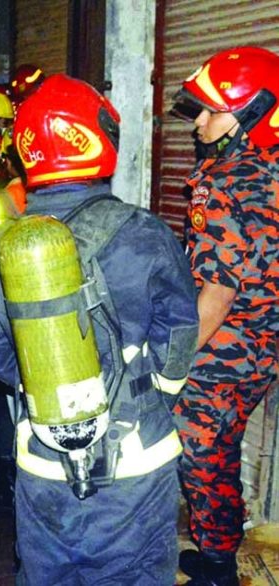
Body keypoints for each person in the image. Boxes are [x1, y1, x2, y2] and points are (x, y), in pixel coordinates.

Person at [0, 74, 199, 584]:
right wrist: (146, 397)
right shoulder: (147, 235)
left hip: (44, 462)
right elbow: (180, 338)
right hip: (137, 464)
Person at [170, 46, 279, 586]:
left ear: (252, 114)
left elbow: (217, 290)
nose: (200, 123)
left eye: (213, 112)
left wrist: (173, 365)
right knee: (223, 447)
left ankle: (216, 570)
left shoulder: (221, 181)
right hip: (264, 349)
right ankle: (219, 550)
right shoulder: (271, 169)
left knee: (201, 452)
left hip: (224, 350)